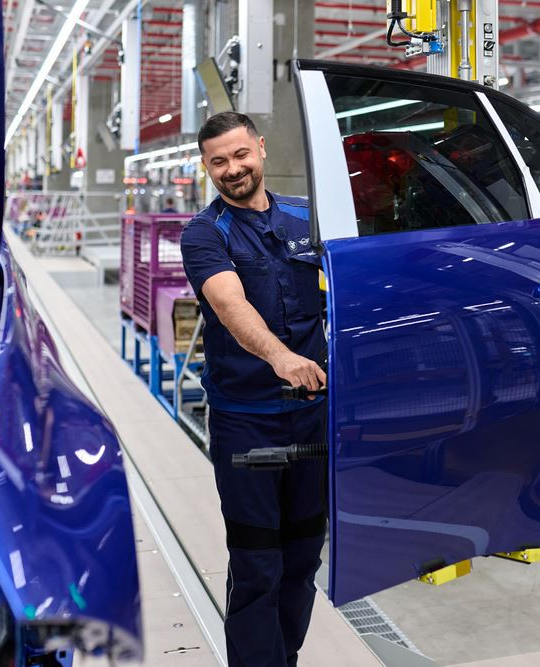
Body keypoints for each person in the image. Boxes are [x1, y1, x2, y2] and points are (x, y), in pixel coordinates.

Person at [180, 111, 327, 666]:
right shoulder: (204, 233)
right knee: (257, 564)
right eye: (218, 161)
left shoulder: (308, 217)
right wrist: (280, 355)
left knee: (304, 557)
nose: (232, 169)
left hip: (312, 415)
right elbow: (228, 303)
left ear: (260, 149)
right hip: (247, 424)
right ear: (207, 167)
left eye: (240, 155)